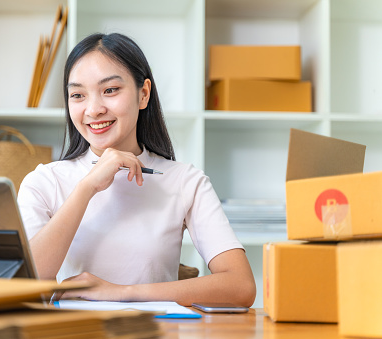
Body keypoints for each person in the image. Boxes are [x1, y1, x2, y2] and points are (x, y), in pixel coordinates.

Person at [18, 33, 256, 307]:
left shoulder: (185, 181)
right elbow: (27, 284)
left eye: (110, 90)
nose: (94, 109)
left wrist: (121, 292)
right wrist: (87, 187)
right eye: (78, 95)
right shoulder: (44, 182)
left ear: (143, 94)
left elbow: (241, 286)